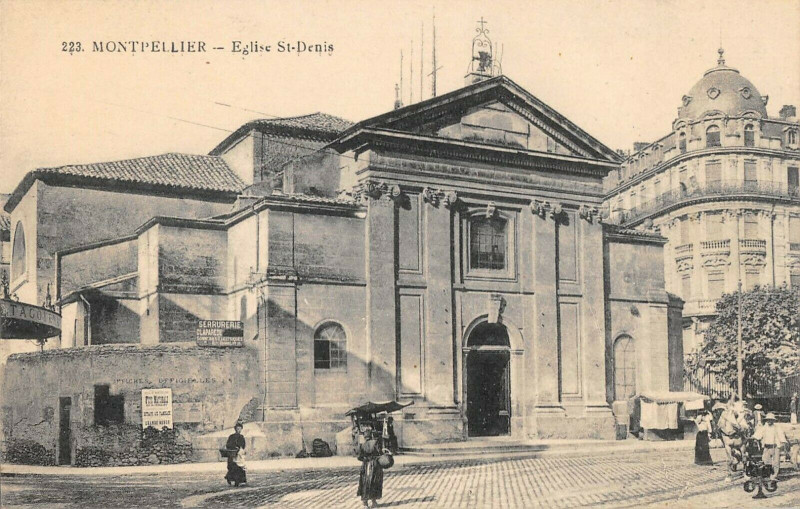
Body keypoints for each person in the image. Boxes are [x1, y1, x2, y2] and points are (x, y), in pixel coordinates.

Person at [752, 413, 787, 481]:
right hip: (766, 447)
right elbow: (758, 434)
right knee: (765, 461)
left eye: (771, 420)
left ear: (773, 420)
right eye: (768, 420)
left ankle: (774, 476)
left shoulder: (776, 427)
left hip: (775, 446)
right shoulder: (764, 427)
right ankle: (767, 474)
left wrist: (783, 441)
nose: (769, 421)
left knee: (776, 462)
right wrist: (754, 437)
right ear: (766, 420)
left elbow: (781, 435)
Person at [357, 423, 385, 508]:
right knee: (375, 482)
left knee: (365, 483)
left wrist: (365, 459)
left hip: (365, 466)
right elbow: (380, 453)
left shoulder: (362, 445)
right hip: (375, 465)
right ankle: (374, 502)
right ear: (372, 435)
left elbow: (359, 457)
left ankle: (365, 503)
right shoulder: (375, 442)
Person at [224, 421, 247, 487]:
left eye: (240, 428)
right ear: (235, 429)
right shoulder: (231, 436)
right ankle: (230, 478)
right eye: (237, 428)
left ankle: (238, 481)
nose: (238, 430)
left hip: (238, 455)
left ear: (241, 429)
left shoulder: (241, 437)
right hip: (232, 454)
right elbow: (228, 444)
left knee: (239, 467)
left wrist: (240, 448)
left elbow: (243, 445)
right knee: (232, 467)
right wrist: (234, 447)